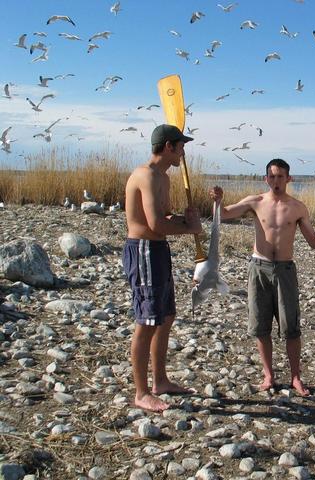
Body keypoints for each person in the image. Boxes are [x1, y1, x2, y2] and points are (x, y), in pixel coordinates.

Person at [210, 158, 315, 396]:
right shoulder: (255, 202)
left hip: (284, 271)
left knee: (290, 326)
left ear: (288, 179)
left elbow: (314, 242)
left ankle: (295, 377)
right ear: (266, 179)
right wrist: (218, 201)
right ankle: (269, 375)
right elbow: (224, 214)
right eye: (272, 176)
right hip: (259, 269)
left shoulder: (297, 207)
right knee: (261, 325)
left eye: (280, 176)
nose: (276, 181)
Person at [123, 124, 203, 412]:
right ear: (169, 146)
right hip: (143, 250)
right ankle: (141, 392)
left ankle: (160, 381)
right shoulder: (145, 175)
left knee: (166, 316)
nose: (183, 151)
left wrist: (185, 219)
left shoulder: (164, 178)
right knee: (147, 321)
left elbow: (164, 216)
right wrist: (188, 228)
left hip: (158, 250)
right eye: (181, 145)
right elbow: (154, 224)